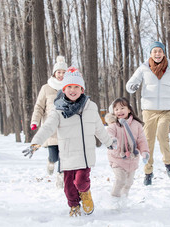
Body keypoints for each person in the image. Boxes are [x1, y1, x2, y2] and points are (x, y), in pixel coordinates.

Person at [22, 67, 116, 217]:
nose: (73, 90)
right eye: (69, 87)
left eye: (76, 87)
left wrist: (109, 142)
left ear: (82, 89)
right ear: (64, 89)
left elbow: (99, 128)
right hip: (67, 155)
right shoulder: (58, 110)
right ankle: (74, 206)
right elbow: (47, 127)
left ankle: (85, 194)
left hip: (85, 156)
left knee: (80, 182)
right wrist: (36, 142)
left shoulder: (91, 107)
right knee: (68, 188)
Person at [126, 41, 170, 186]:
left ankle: (168, 162)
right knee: (148, 141)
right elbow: (130, 84)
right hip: (149, 110)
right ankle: (148, 172)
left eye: (160, 51)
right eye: (154, 51)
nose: (157, 54)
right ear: (150, 54)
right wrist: (132, 87)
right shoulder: (143, 68)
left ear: (164, 53)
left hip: (166, 110)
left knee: (162, 135)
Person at [105, 97, 149, 208]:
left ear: (129, 109)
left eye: (122, 108)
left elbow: (141, 140)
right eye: (116, 109)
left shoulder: (136, 125)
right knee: (121, 180)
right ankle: (114, 201)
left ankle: (123, 201)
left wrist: (144, 152)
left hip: (132, 159)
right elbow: (109, 134)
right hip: (117, 158)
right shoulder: (113, 125)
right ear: (113, 112)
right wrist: (112, 141)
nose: (119, 111)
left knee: (129, 183)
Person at [30, 56, 67, 187]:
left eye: (64, 72)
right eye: (59, 72)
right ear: (54, 73)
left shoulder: (69, 88)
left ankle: (61, 178)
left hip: (65, 128)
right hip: (51, 130)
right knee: (54, 156)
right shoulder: (46, 88)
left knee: (64, 157)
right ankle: (50, 162)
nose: (61, 75)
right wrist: (35, 121)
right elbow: (39, 106)